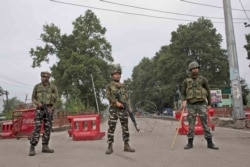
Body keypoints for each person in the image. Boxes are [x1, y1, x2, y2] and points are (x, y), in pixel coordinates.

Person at [181, 61, 219, 150]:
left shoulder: (203, 80)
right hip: (191, 105)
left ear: (198, 69)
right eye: (193, 69)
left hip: (202, 104)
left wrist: (209, 103)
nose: (195, 70)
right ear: (190, 70)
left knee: (205, 124)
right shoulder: (186, 81)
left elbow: (208, 92)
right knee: (191, 124)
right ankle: (190, 143)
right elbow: (183, 93)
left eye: (196, 68)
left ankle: (210, 143)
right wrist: (183, 100)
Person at [105, 65, 135, 154]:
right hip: (113, 109)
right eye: (115, 74)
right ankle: (110, 146)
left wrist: (129, 107)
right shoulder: (109, 86)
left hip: (123, 109)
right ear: (112, 75)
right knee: (111, 127)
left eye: (119, 74)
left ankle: (126, 145)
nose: (117, 75)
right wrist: (115, 102)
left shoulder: (124, 86)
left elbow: (127, 97)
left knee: (125, 127)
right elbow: (108, 96)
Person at [29, 71, 58, 156]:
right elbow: (33, 98)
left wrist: (51, 109)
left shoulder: (53, 87)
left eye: (46, 77)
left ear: (48, 78)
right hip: (39, 110)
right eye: (43, 77)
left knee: (48, 129)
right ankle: (32, 147)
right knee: (37, 128)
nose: (44, 79)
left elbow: (56, 99)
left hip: (49, 110)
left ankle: (45, 146)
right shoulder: (37, 87)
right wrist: (38, 104)